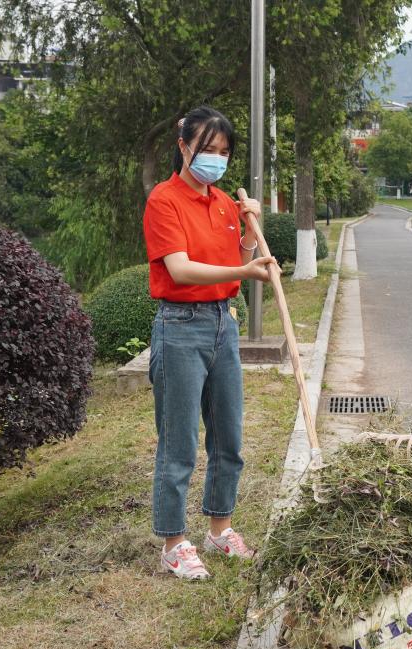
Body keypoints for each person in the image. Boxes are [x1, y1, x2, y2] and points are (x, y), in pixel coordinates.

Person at [143, 105, 276, 580]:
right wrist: (244, 269)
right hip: (180, 326)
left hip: (223, 322)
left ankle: (220, 529)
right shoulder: (164, 200)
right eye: (206, 150)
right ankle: (174, 542)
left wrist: (247, 231)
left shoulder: (222, 202)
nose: (215, 159)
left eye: (223, 152)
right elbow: (179, 270)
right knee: (179, 441)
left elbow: (234, 260)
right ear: (183, 147)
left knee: (229, 436)